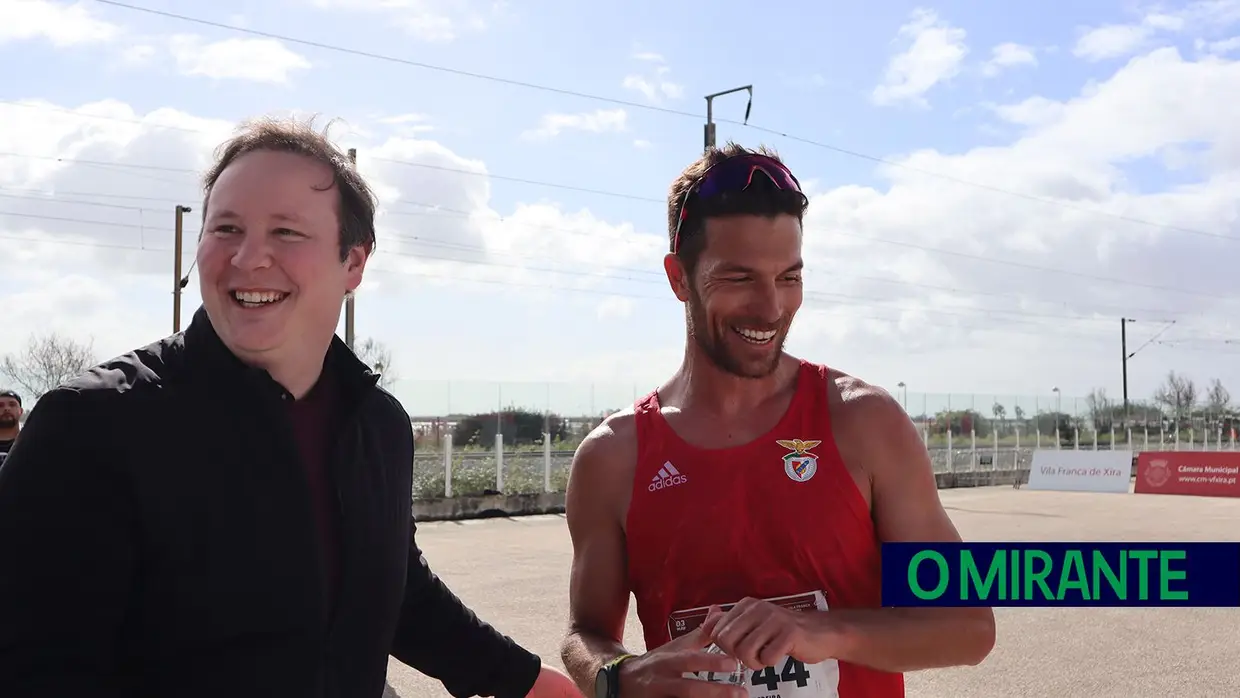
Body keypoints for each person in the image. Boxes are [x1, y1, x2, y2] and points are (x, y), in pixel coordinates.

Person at [0, 117, 580, 698]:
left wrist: (523, 681)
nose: (249, 258)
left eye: (286, 232)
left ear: (354, 262)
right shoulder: (91, 426)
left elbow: (394, 590)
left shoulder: (378, 426)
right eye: (225, 228)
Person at [558, 144, 996, 698]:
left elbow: (968, 628)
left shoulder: (866, 423)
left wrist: (826, 630)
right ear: (679, 279)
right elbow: (586, 635)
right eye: (739, 279)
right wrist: (617, 677)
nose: (771, 308)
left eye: (789, 277)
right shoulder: (612, 456)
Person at [0, 389, 21, 466]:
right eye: (0, 405)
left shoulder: (33, 444)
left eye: (12, 404)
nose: (6, 409)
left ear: (21, 411)